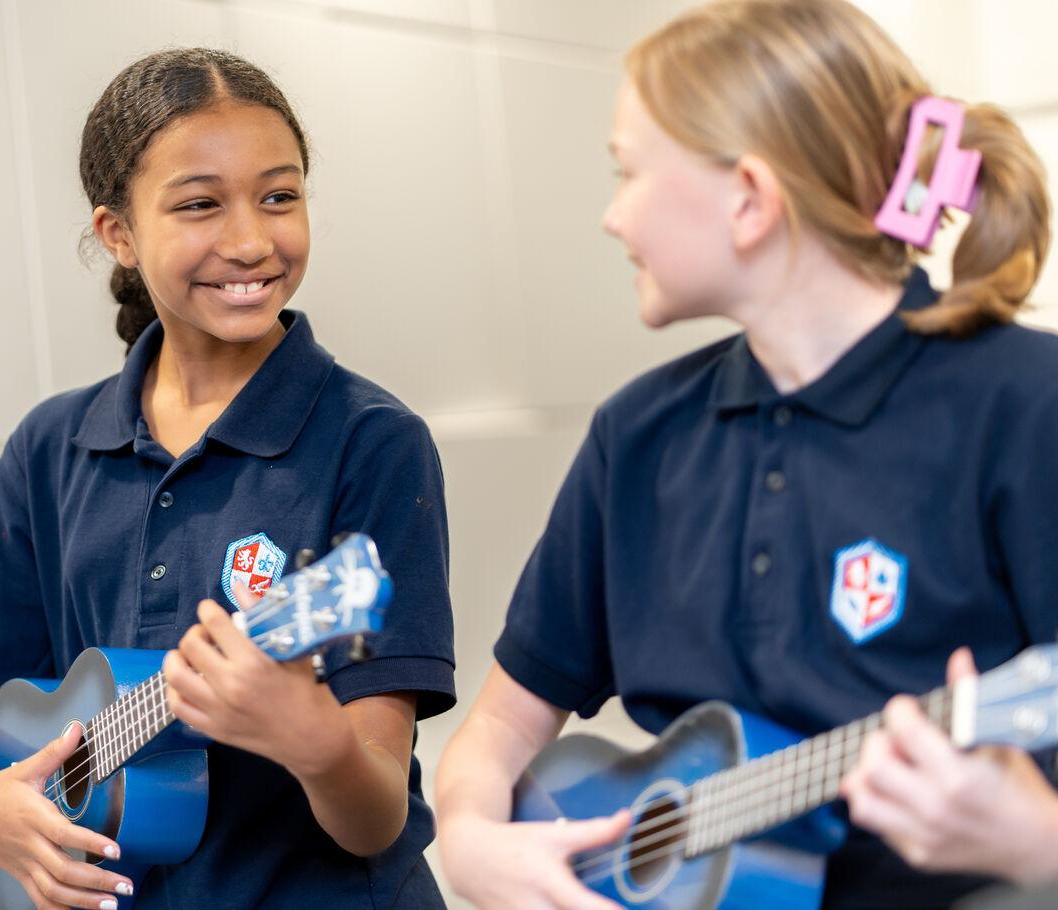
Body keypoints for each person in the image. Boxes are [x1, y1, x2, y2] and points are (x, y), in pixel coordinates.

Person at [434, 1, 1058, 907]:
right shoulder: (636, 435)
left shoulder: (1027, 404)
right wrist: (469, 835)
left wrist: (1040, 846)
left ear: (751, 200)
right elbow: (499, 727)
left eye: (629, 172)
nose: (612, 217)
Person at [0, 48, 454, 910]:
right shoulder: (50, 447)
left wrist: (317, 746)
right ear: (118, 235)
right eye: (201, 204)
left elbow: (376, 816)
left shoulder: (373, 442)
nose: (250, 239)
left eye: (279, 196)